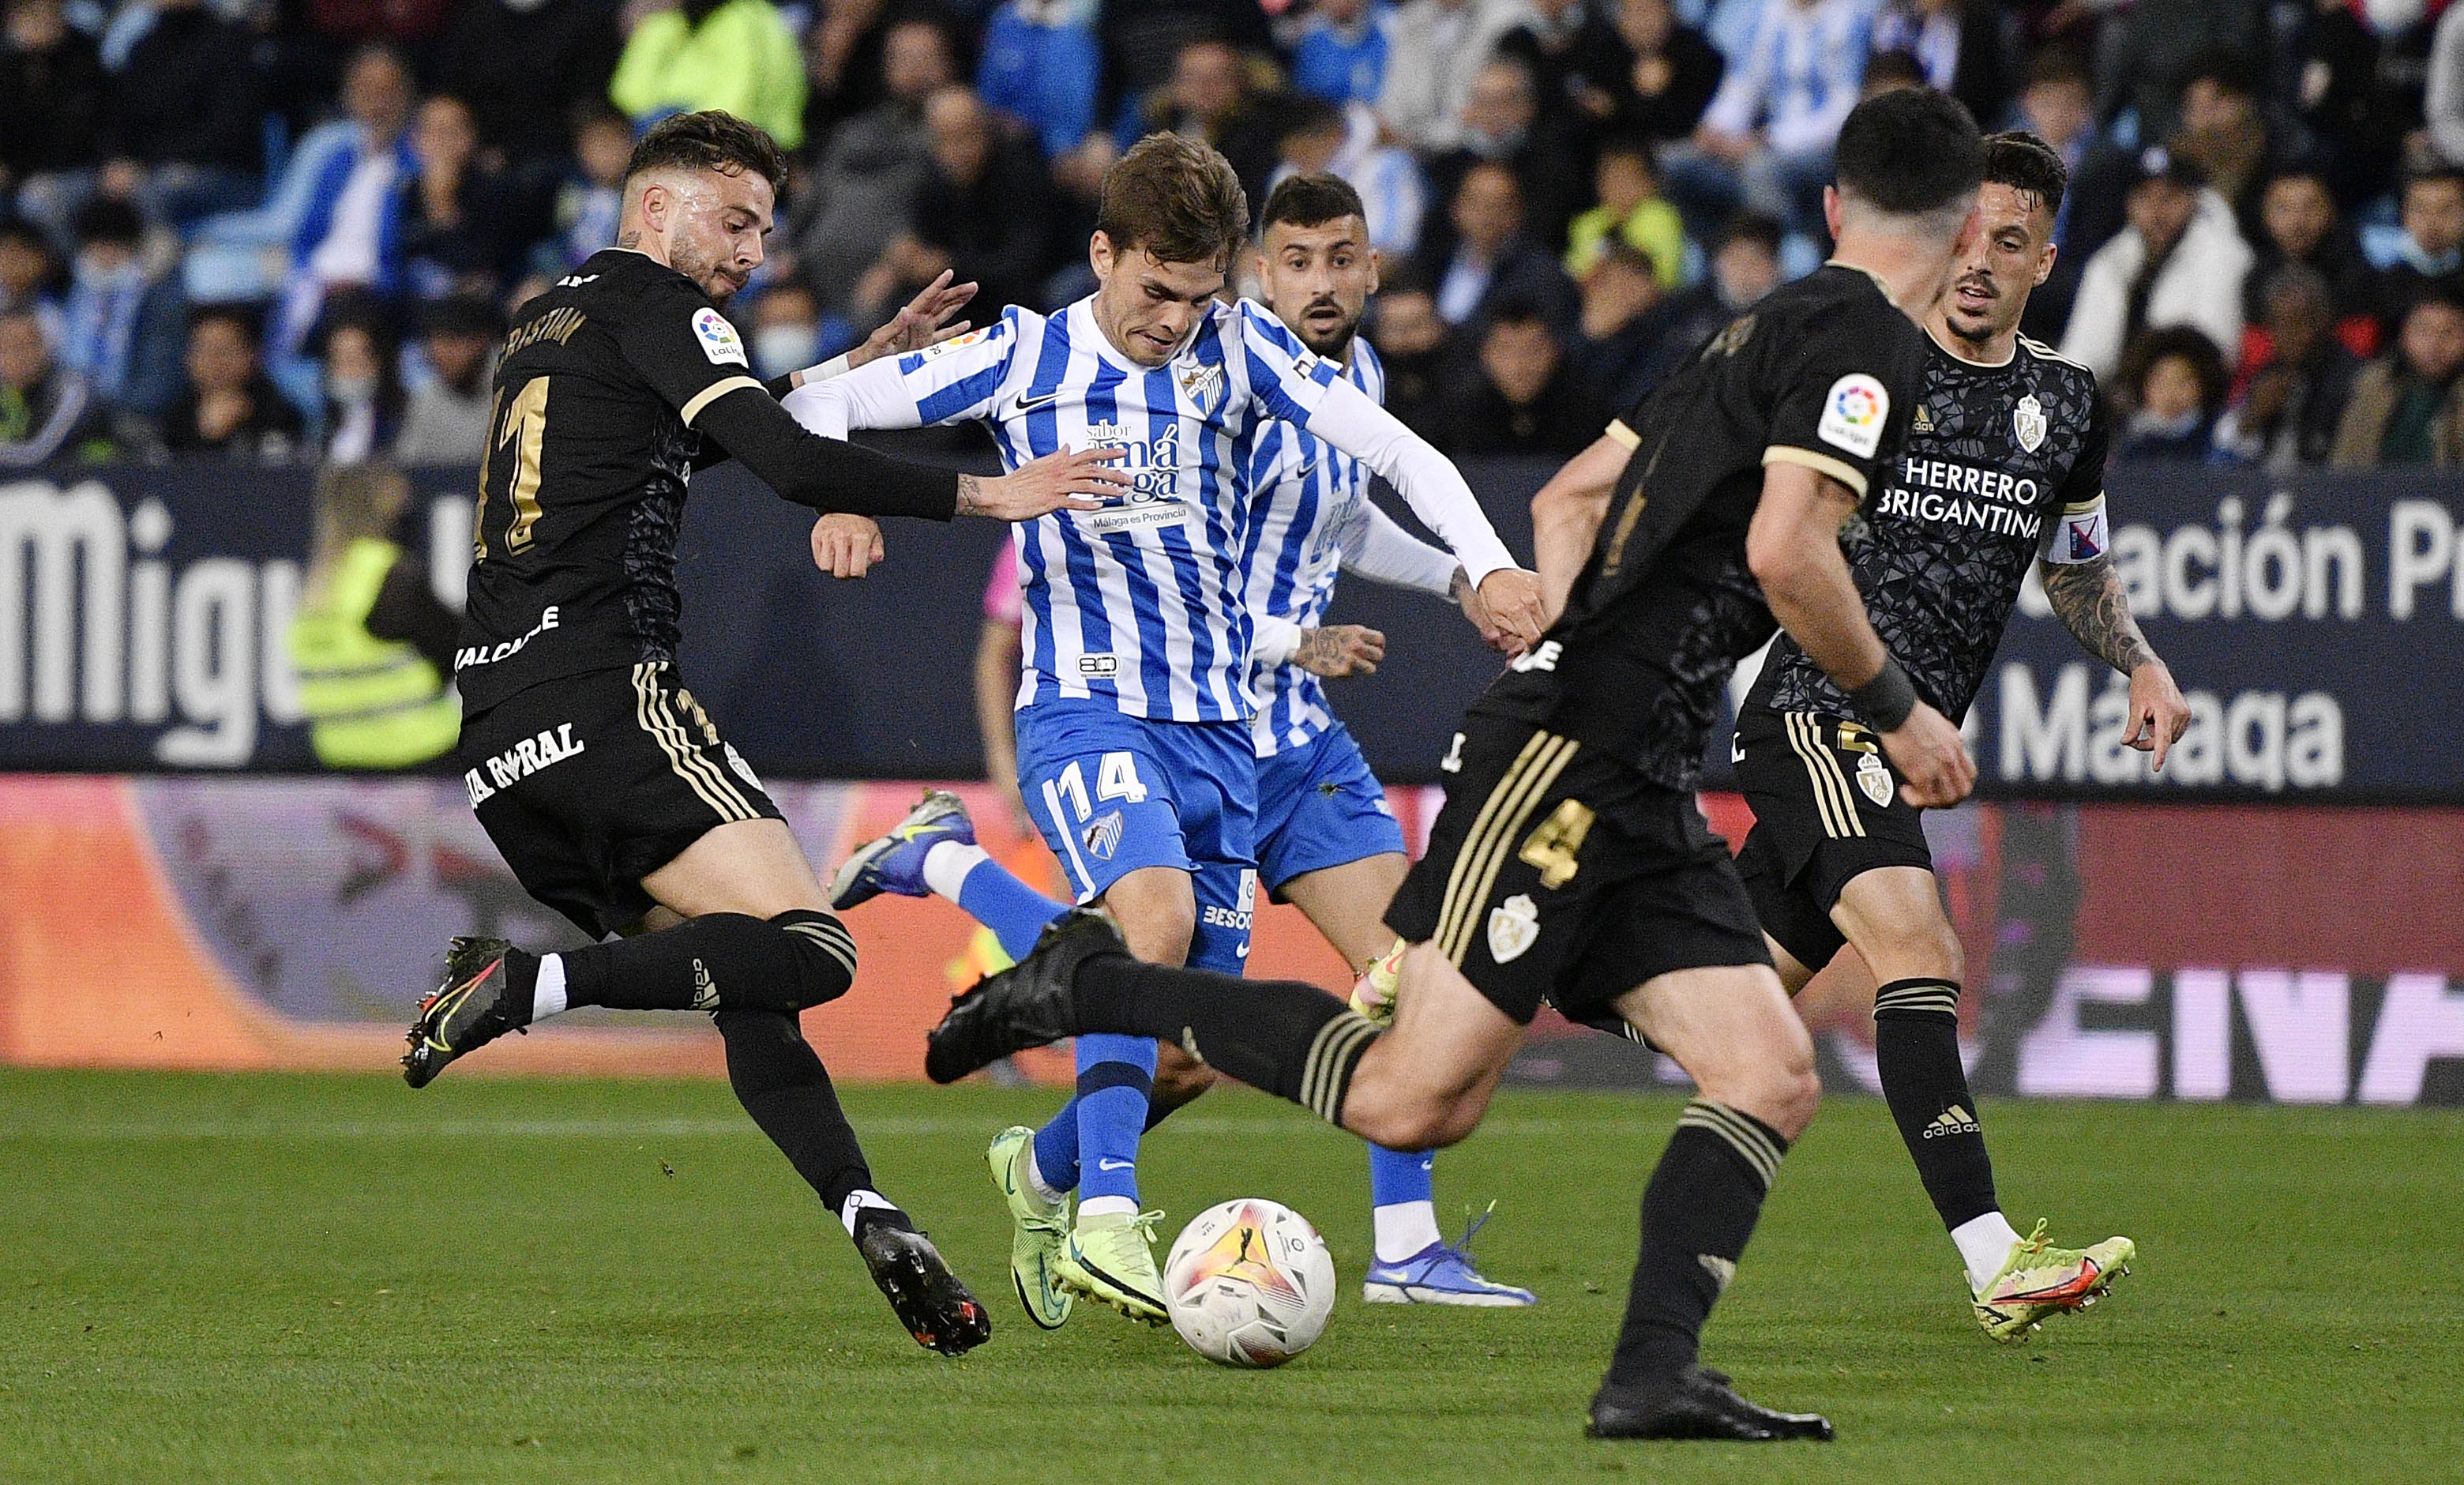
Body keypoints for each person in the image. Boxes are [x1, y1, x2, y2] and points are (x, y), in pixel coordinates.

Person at [924, 87, 1989, 1442]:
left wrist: (1517, 595)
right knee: (1410, 1095)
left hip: (1637, 760)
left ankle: (1652, 1374)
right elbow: (1789, 552)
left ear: (1834, 205)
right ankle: (1094, 978)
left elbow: (1570, 500)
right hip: (1569, 753)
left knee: (1768, 1073)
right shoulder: (1863, 350)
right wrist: (1895, 707)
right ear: (1961, 238)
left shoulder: (1752, 327)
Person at [393, 111, 1129, 1357]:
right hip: (605, 693)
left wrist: (849, 370)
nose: (749, 255)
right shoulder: (666, 309)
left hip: (504, 739)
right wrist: (983, 492)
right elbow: (783, 465)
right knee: (817, 951)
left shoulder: (547, 319)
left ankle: (870, 1215)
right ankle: (522, 983)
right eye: (732, 223)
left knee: (746, 977)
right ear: (655, 210)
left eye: (762, 233)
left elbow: (694, 444)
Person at [788, 133, 1548, 1326]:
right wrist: (838, 486)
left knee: (1191, 1048)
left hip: (1221, 736)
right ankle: (1106, 1225)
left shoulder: (1240, 349)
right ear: (1103, 254)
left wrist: (1487, 568)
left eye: (1199, 296)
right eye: (1155, 292)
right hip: (1085, 706)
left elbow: (1391, 447)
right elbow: (817, 400)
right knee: (1153, 918)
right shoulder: (1023, 356)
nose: (1177, 322)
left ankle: (1036, 1164)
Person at [1731, 131, 2179, 1340]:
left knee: (1721, 1002)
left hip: (1900, 745)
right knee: (1920, 951)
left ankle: (1476, 955)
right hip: (1821, 716)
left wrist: (2137, 660)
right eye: (1966, 234)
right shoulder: (1867, 372)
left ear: (2048, 257)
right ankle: (1995, 1258)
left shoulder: (2066, 406)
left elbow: (2075, 566)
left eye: (2011, 242)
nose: (1980, 262)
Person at [288, 463, 462, 769]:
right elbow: (455, 645)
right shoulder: (385, 573)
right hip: (416, 754)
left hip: (342, 761)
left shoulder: (316, 584)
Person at [2059, 146, 2252, 385]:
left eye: (2169, 198)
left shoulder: (2221, 255)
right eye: (2144, 198)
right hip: (2120, 403)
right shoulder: (2111, 261)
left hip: (2193, 400)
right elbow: (2082, 352)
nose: (2156, 212)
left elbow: (2216, 351)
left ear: (2192, 198)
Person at [1448, 301, 1606, 454]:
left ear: (1555, 350)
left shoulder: (1588, 412)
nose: (1519, 365)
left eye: (1533, 350)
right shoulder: (1456, 415)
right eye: (1505, 351)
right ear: (1485, 354)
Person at [2329, 292, 2464, 468]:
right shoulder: (2374, 387)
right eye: (2424, 332)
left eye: (2449, 332)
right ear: (2404, 334)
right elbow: (2345, 459)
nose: (2436, 344)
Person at [162, 306, 306, 461]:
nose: (214, 361)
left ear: (251, 355)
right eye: (203, 349)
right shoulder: (175, 417)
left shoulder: (278, 415)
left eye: (226, 350)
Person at [394, 294, 501, 465]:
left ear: (481, 342)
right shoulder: (427, 397)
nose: (441, 355)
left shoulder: (520, 386)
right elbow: (408, 466)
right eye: (436, 345)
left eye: (452, 344)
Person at [0, 305, 111, 464]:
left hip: (98, 479)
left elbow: (37, 455)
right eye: (6, 349)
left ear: (44, 348)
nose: (17, 358)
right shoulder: (7, 391)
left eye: (24, 346)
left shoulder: (72, 390)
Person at [2113, 325, 2229, 463]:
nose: (2170, 394)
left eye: (2182, 382)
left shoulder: (2219, 438)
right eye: (2161, 382)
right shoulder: (2126, 439)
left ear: (2203, 386)